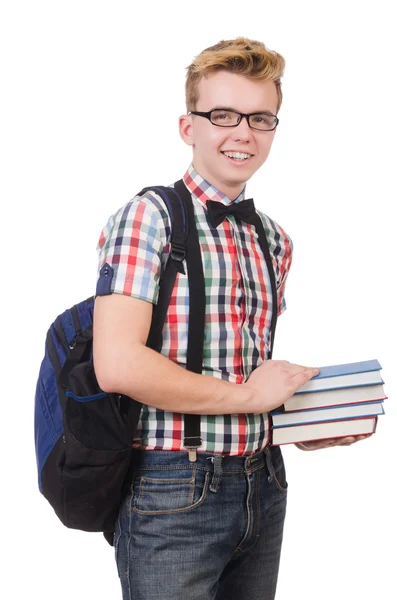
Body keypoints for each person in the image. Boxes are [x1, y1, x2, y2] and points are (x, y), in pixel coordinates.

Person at [93, 36, 370, 600]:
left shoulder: (273, 238)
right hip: (174, 487)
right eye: (223, 115)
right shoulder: (149, 218)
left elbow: (242, 367)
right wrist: (250, 401)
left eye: (261, 118)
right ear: (187, 126)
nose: (243, 132)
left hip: (263, 483)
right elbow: (117, 364)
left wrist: (299, 421)